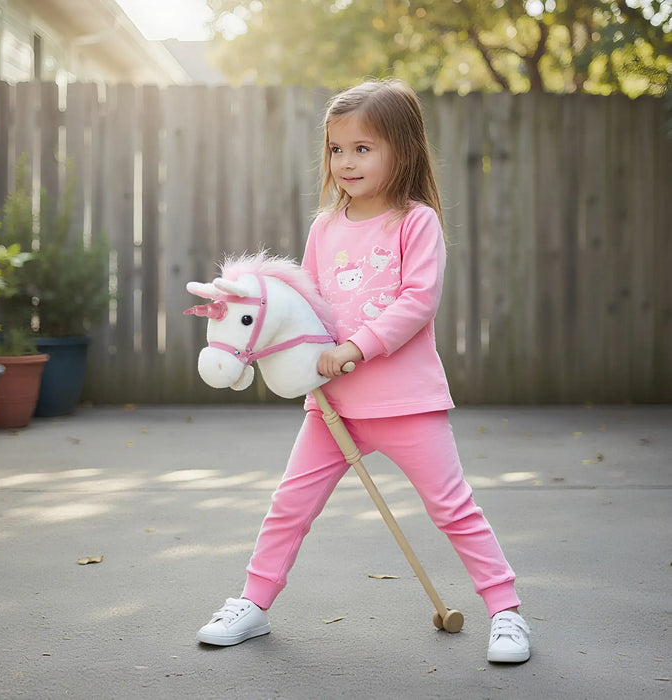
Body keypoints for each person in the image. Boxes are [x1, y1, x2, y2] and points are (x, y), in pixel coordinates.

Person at [196, 79, 531, 664]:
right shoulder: (325, 227)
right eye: (336, 149)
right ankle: (252, 602)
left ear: (402, 149)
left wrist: (354, 347)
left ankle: (505, 612)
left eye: (363, 148)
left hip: (407, 403)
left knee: (453, 507)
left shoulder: (415, 221)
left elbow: (417, 301)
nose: (345, 162)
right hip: (333, 407)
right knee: (289, 505)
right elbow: (304, 304)